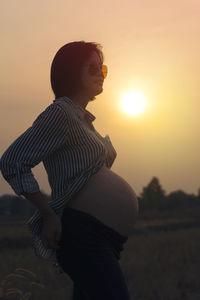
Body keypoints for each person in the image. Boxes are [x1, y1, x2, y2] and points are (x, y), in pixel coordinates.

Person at [0, 41, 138, 299]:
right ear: (72, 72)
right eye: (93, 68)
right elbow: (12, 161)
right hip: (84, 237)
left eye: (103, 69)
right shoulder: (61, 113)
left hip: (104, 239)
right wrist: (48, 213)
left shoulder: (82, 119)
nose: (101, 74)